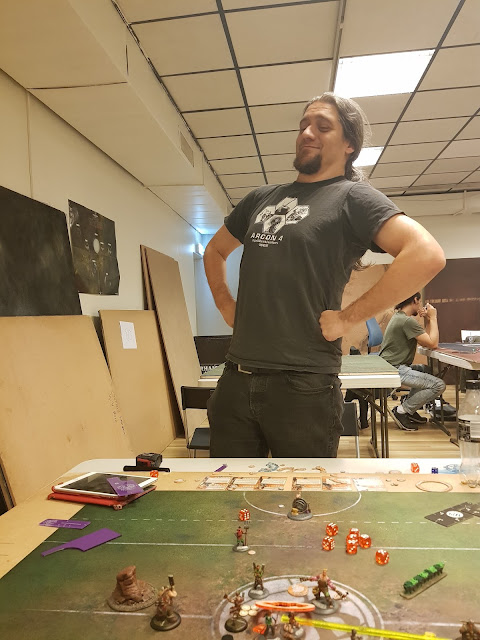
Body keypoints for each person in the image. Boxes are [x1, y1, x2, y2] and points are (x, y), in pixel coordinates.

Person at [204, 92, 445, 458]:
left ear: (350, 144)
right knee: (228, 492)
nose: (307, 132)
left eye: (322, 126)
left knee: (306, 495)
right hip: (236, 379)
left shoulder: (352, 198)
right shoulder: (259, 199)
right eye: (303, 125)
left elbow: (426, 255)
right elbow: (214, 250)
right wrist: (224, 302)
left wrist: (347, 318)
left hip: (304, 386)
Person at [379, 293, 446, 431]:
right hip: (395, 369)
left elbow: (426, 341)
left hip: (391, 365)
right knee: (439, 385)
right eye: (420, 302)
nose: (421, 305)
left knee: (425, 370)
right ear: (415, 300)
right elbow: (433, 343)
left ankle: (410, 409)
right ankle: (401, 411)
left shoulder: (399, 317)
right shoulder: (407, 322)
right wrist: (434, 317)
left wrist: (428, 319)